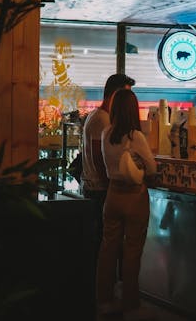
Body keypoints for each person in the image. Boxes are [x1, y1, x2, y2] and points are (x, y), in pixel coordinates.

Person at [96, 89, 157, 320]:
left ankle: (104, 301)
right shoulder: (136, 137)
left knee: (107, 249)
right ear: (133, 110)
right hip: (134, 197)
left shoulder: (106, 133)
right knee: (132, 251)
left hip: (112, 195)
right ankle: (130, 305)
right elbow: (152, 168)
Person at [81, 73, 136, 259]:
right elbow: (99, 157)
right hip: (99, 189)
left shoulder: (95, 116)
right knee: (106, 245)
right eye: (124, 96)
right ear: (114, 95)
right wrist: (111, 185)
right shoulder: (102, 119)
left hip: (93, 187)